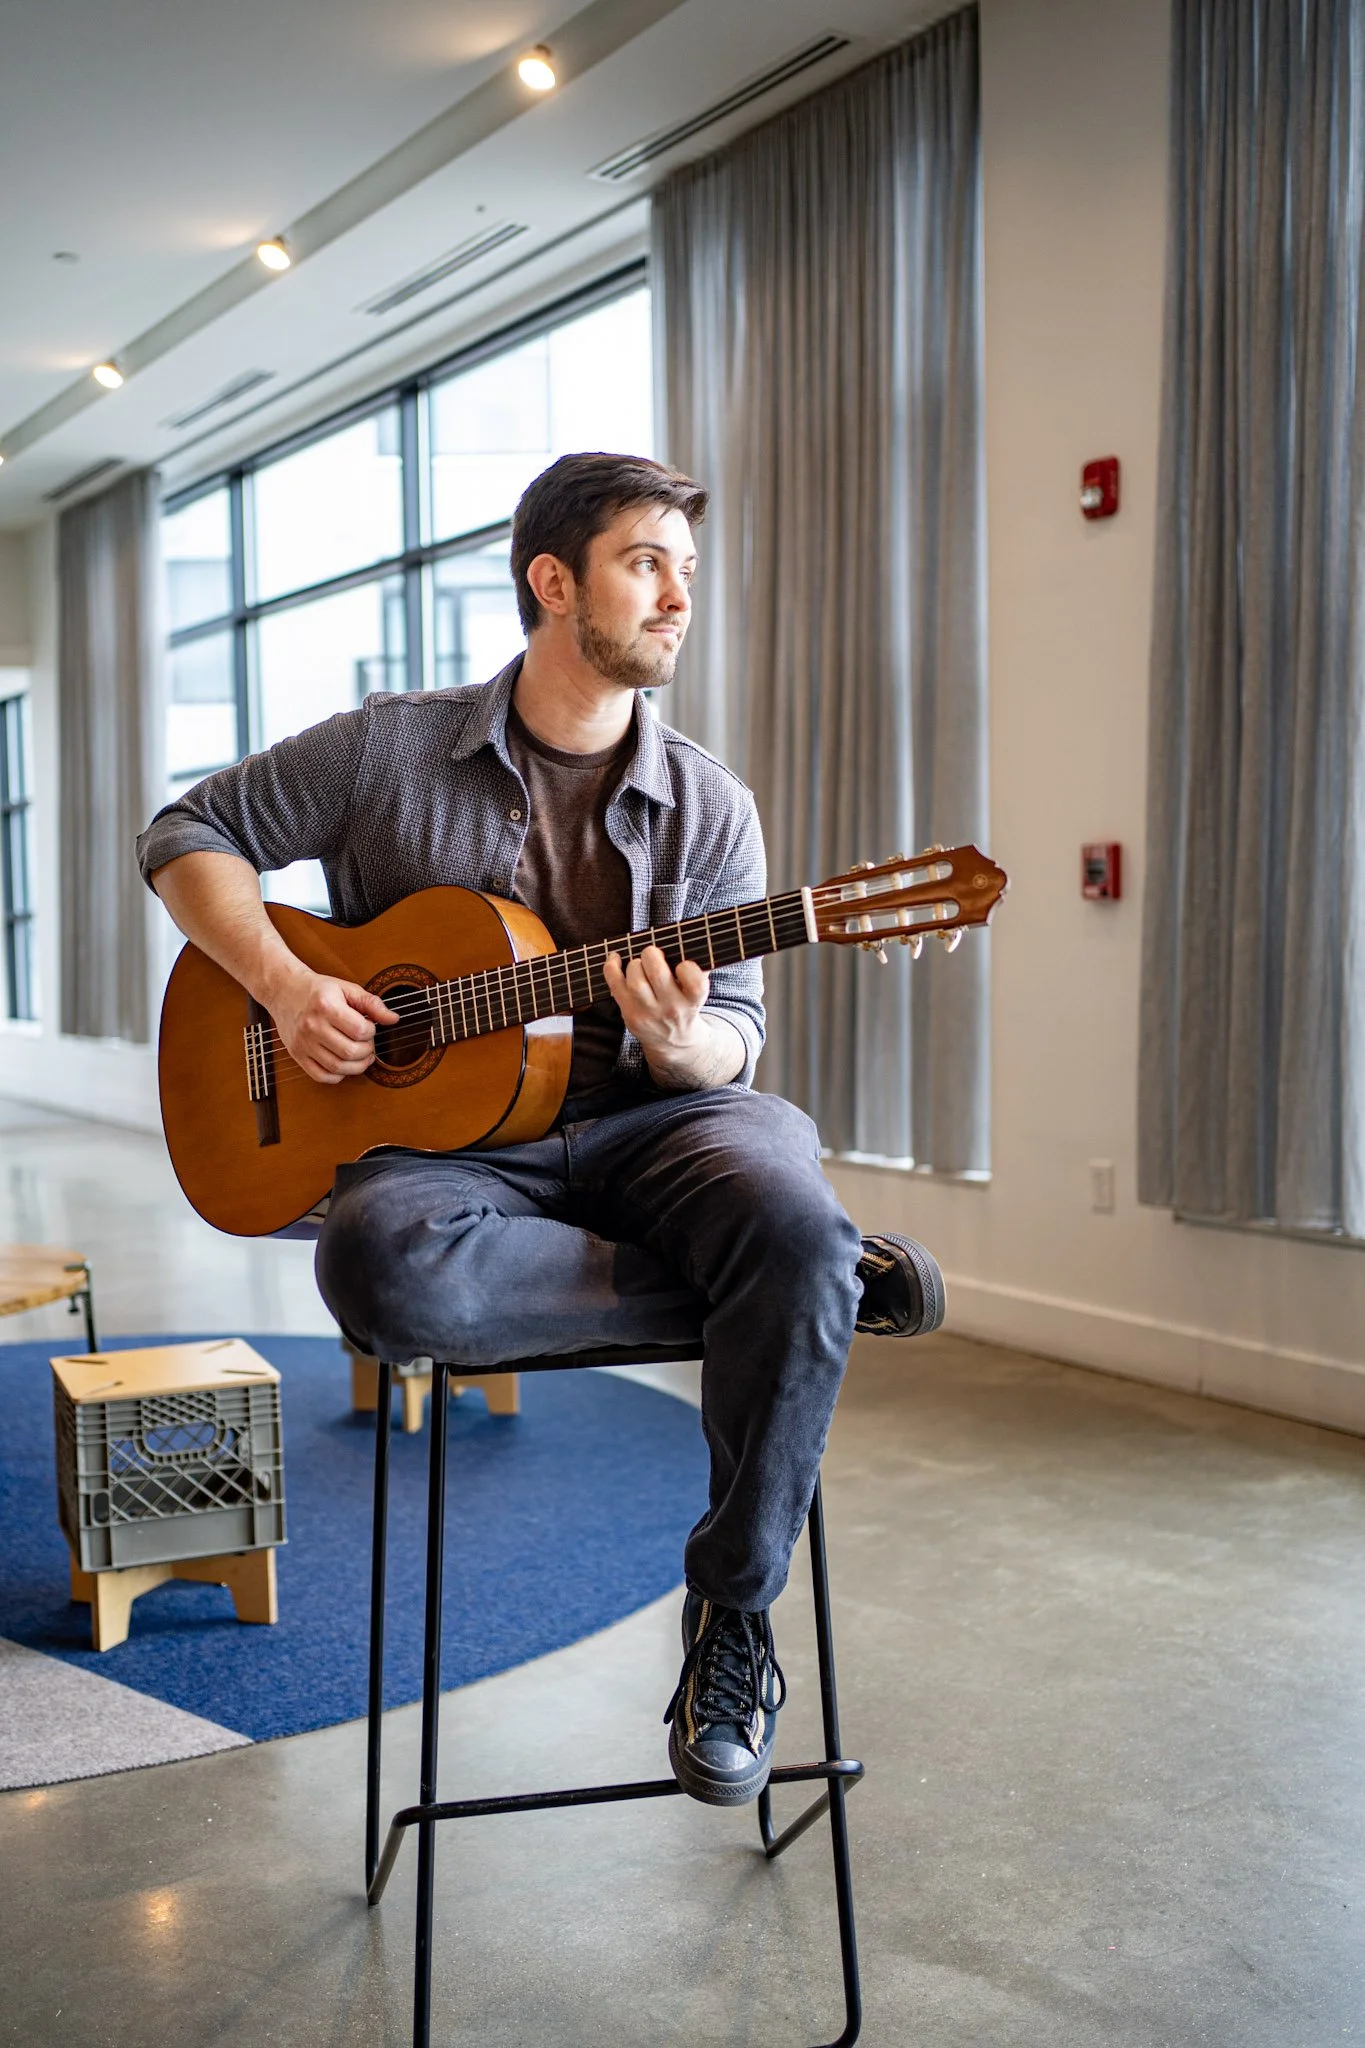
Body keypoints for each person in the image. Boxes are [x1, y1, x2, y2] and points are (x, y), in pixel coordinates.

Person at [136, 451, 944, 1808]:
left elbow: (735, 1029)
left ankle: (732, 1620)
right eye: (647, 562)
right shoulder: (390, 748)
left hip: (657, 1128)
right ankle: (817, 1286)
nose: (679, 595)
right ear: (552, 581)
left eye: (688, 569)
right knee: (377, 1275)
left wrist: (689, 1041)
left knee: (782, 1200)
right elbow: (186, 831)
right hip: (452, 1162)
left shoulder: (711, 804)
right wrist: (287, 983)